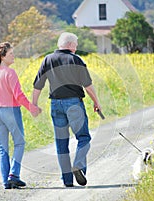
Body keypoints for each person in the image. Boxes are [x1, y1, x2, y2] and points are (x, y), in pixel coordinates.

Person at [32, 32, 102, 187]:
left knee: (61, 143)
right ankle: (79, 166)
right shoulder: (75, 59)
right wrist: (96, 102)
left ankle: (67, 180)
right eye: (75, 45)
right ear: (70, 45)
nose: (76, 49)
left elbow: (38, 85)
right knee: (83, 137)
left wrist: (34, 104)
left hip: (55, 105)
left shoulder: (48, 59)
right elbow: (88, 85)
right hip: (74, 105)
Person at [0, 42, 41, 189]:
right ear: (2, 56)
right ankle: (14, 175)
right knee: (19, 143)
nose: (13, 56)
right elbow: (18, 95)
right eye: (11, 53)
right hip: (10, 111)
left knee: (2, 147)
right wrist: (32, 108)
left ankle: (6, 182)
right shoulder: (10, 72)